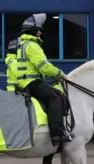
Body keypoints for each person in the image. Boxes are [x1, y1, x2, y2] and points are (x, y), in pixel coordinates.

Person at [15, 13, 73, 146]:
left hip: (26, 82)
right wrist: (60, 74)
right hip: (32, 82)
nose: (40, 33)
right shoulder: (32, 45)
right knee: (55, 98)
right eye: (39, 30)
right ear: (34, 31)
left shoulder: (23, 45)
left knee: (56, 93)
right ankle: (56, 135)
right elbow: (44, 66)